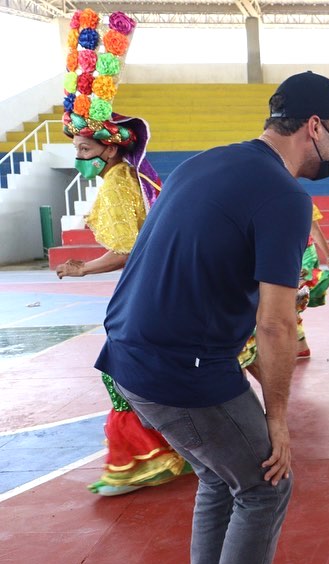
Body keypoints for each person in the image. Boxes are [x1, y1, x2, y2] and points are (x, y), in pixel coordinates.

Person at [95, 71, 329, 564]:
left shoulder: (202, 163)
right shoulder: (286, 196)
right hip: (179, 369)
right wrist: (279, 419)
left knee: (221, 476)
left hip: (125, 355)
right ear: (314, 126)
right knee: (268, 483)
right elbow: (277, 324)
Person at [55, 8, 193, 497]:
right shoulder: (135, 175)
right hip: (165, 289)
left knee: (121, 374)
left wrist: (80, 268)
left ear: (110, 150)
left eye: (85, 152)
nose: (80, 160)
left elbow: (125, 251)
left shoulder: (116, 185)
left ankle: (144, 458)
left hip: (142, 295)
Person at [296, 204, 329, 359]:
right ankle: (300, 345)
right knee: (288, 301)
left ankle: (299, 345)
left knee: (291, 300)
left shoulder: (302, 201)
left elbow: (314, 230)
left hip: (303, 254)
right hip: (283, 253)